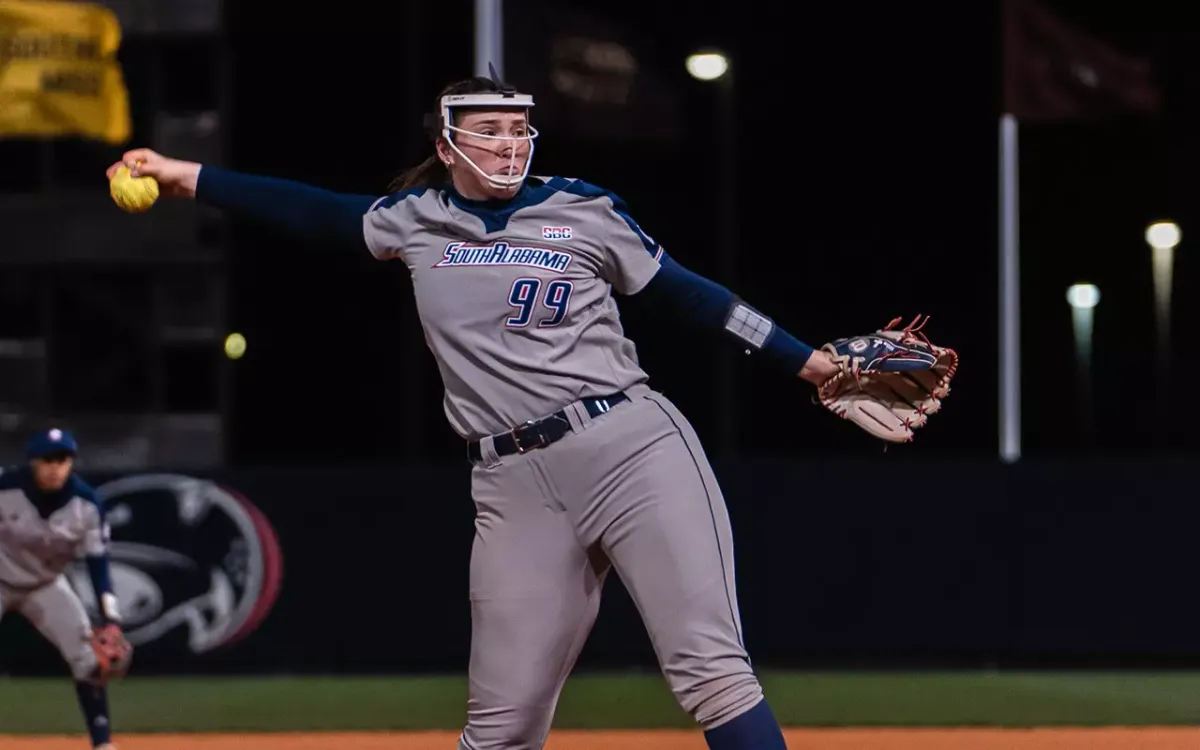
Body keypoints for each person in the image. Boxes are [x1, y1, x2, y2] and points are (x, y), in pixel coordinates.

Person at [106, 68, 840, 750]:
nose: (508, 142)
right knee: (502, 725)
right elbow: (310, 211)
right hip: (511, 482)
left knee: (710, 672)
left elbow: (691, 295)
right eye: (489, 128)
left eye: (518, 128)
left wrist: (805, 360)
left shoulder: (582, 208)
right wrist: (185, 178)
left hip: (629, 449)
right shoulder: (415, 219)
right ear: (446, 143)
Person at [0, 428, 126, 750]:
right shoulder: (6, 487)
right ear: (32, 462)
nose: (56, 467)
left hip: (45, 585)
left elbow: (99, 564)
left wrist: (111, 618)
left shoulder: (87, 505)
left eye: (63, 459)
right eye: (48, 460)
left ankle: (102, 743)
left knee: (87, 658)